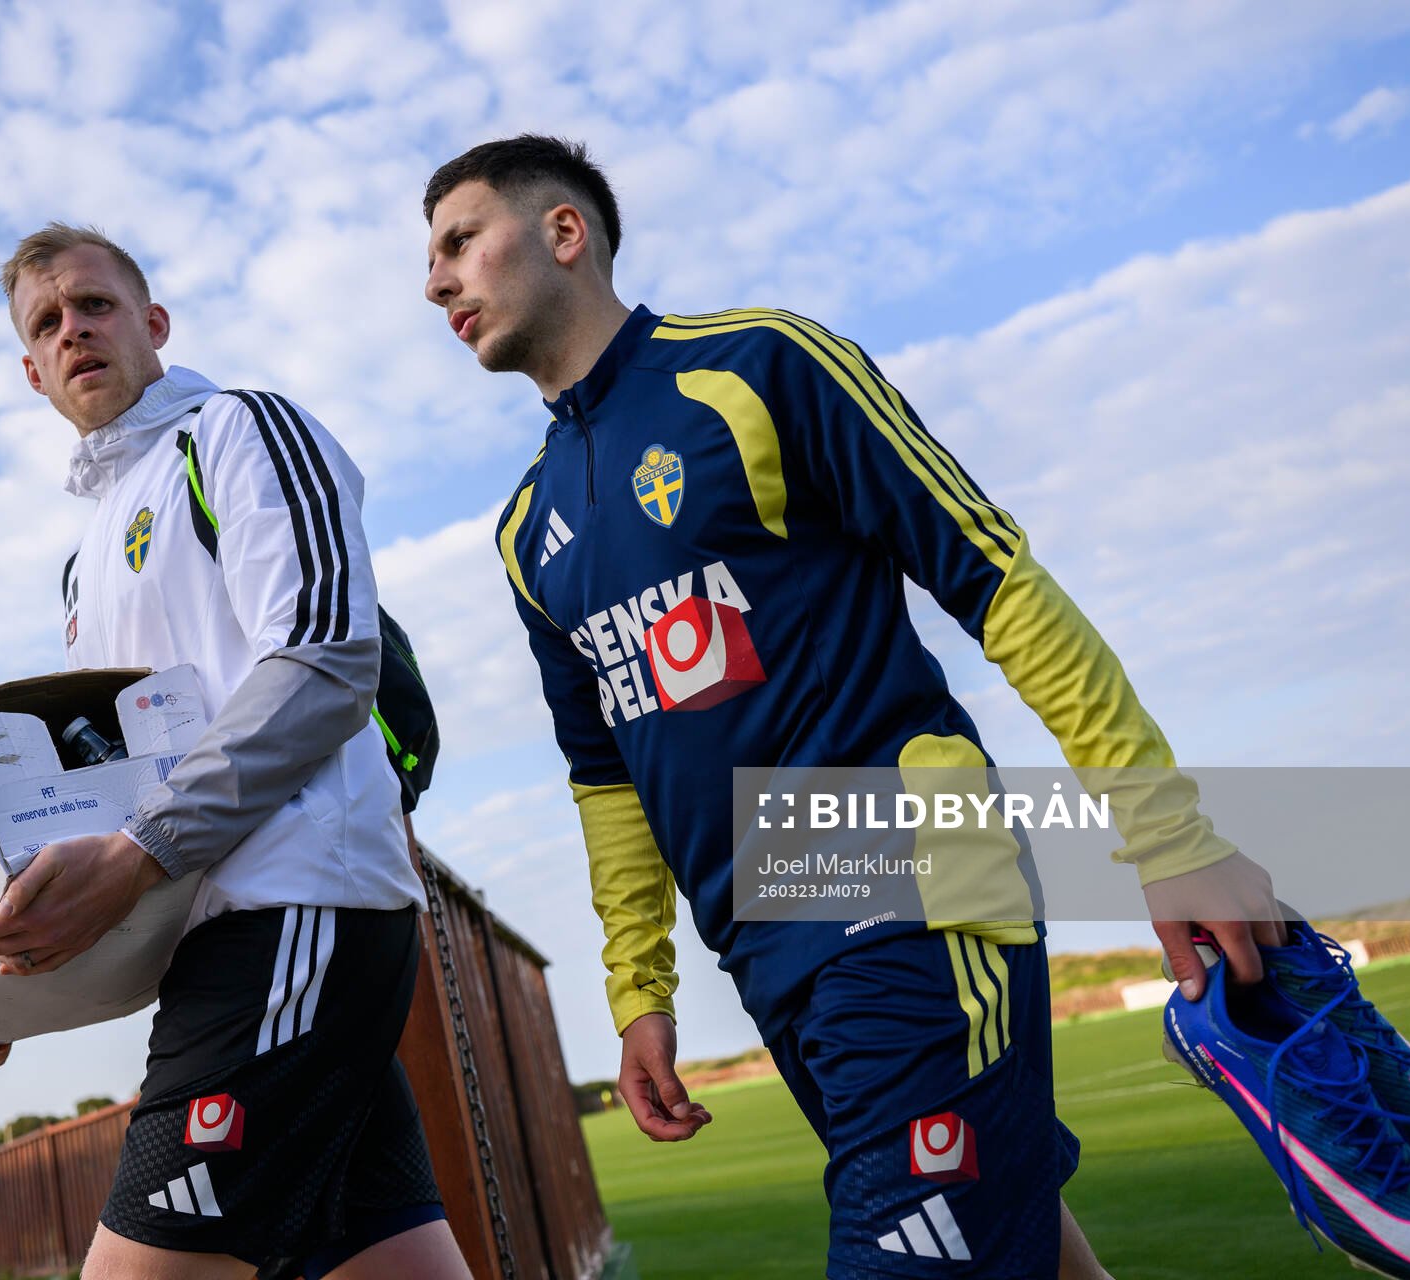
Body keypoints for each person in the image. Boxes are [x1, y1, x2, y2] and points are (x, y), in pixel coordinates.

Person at [422, 135, 1287, 1279]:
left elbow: (995, 578)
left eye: (459, 240)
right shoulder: (528, 530)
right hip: (767, 947)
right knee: (1028, 1250)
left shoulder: (760, 365)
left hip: (906, 886)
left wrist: (1166, 833)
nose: (435, 281)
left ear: (564, 232)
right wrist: (641, 991)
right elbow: (608, 780)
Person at [0, 224, 471, 1280]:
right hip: (220, 945)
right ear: (32, 372)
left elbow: (327, 655)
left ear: (153, 323)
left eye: (95, 305)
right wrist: (0, 989)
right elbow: (118, 812)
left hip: (297, 910)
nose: (73, 330)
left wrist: (140, 851)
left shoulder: (237, 428)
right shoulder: (83, 567)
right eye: (46, 323)